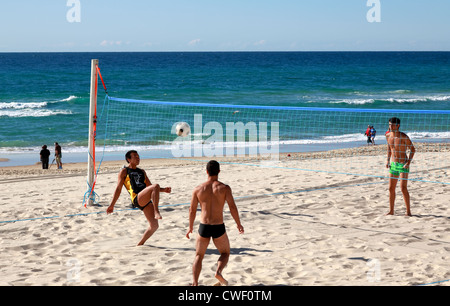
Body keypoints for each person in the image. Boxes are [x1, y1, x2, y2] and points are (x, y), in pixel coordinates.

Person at [186, 160, 244, 286]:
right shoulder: (224, 188)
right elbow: (232, 207)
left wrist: (190, 227)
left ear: (206, 172)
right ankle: (218, 271)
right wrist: (238, 224)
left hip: (204, 227)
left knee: (199, 256)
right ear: (219, 171)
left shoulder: (198, 189)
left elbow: (192, 210)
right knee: (225, 253)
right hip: (218, 226)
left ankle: (195, 283)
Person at [107, 150, 172, 246]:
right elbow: (118, 189)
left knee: (154, 226)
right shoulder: (124, 171)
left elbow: (149, 186)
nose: (138, 158)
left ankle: (140, 244)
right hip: (136, 198)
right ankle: (156, 211)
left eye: (138, 156)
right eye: (135, 156)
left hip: (145, 199)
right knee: (155, 186)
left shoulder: (142, 171)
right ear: (128, 159)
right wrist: (112, 205)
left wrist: (164, 190)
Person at [385, 117, 416, 216]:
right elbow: (389, 149)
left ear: (398, 125)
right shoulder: (388, 136)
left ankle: (408, 212)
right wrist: (387, 160)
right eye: (389, 124)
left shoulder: (403, 137)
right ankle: (391, 211)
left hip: (403, 164)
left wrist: (408, 163)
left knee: (403, 188)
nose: (390, 126)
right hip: (393, 164)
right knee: (391, 188)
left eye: (392, 125)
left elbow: (413, 150)